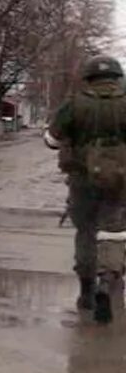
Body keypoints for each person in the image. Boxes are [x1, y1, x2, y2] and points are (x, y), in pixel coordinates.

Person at [45, 54, 126, 324]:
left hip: (82, 180)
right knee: (113, 233)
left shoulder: (75, 102)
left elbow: (52, 140)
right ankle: (108, 281)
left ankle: (86, 291)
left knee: (86, 232)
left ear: (89, 77)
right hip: (120, 181)